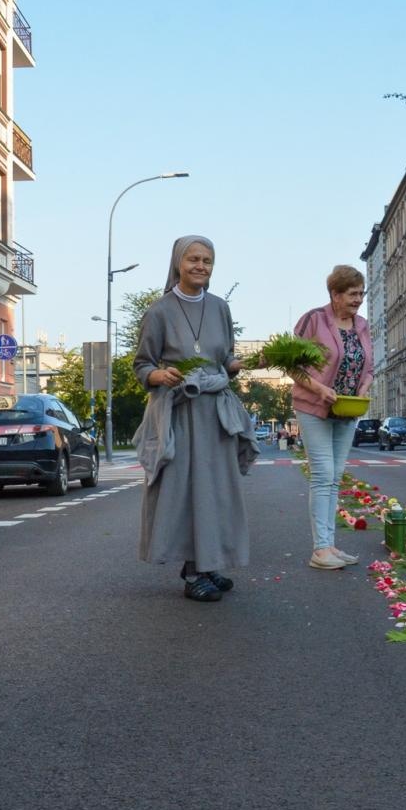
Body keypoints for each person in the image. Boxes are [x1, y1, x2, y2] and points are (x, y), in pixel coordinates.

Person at [133, 236, 258, 601]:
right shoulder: (158, 311)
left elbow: (225, 361)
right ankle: (192, 571)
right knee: (186, 492)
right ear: (178, 263)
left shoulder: (220, 308)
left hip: (215, 414)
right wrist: (160, 376)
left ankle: (208, 562)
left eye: (207, 260)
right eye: (193, 259)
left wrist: (245, 364)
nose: (201, 266)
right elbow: (142, 366)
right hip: (180, 413)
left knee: (216, 492)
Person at [290, 265, 375, 570]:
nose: (358, 299)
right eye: (353, 294)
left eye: (361, 293)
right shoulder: (314, 320)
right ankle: (320, 549)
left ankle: (329, 545)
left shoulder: (362, 325)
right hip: (314, 407)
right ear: (334, 294)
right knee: (324, 475)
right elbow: (292, 364)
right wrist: (319, 388)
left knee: (335, 478)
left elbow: (369, 367)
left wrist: (365, 387)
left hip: (347, 409)